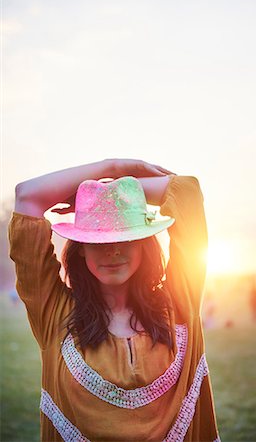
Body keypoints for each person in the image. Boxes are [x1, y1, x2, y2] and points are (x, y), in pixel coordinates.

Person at [9, 158, 220, 442]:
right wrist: (114, 169)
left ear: (143, 243)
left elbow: (187, 191)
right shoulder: (54, 314)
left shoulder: (180, 302)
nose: (113, 252)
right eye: (99, 241)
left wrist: (105, 197)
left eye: (125, 237)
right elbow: (27, 195)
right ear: (81, 248)